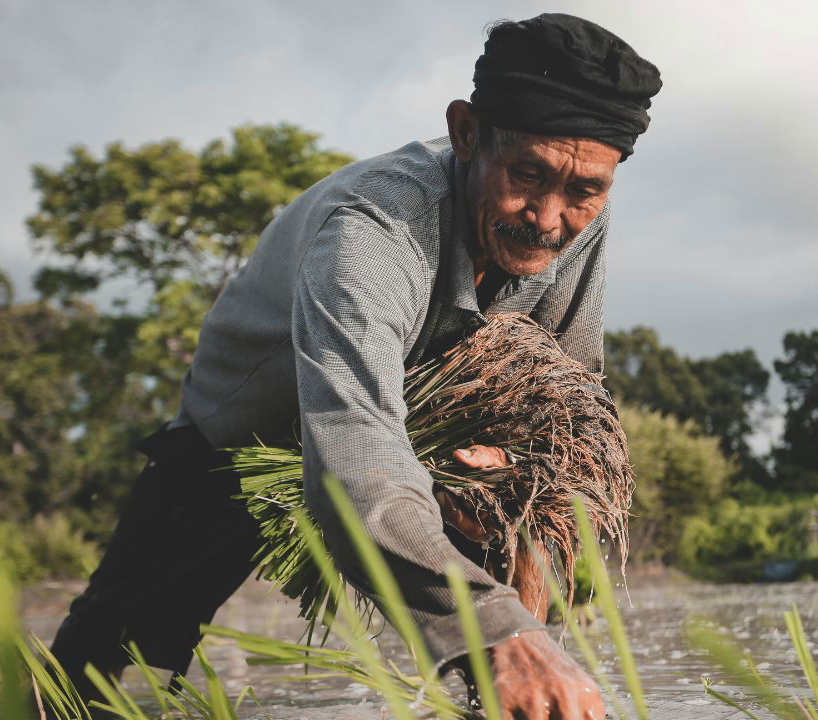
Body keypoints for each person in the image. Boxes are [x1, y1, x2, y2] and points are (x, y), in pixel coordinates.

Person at [50, 12, 661, 719]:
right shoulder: (372, 231)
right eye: (526, 174)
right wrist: (497, 634)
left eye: (583, 191)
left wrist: (522, 473)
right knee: (110, 672)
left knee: (520, 563)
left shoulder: (579, 210)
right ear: (466, 133)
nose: (549, 217)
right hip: (244, 442)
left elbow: (571, 390)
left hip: (426, 427)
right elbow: (356, 461)